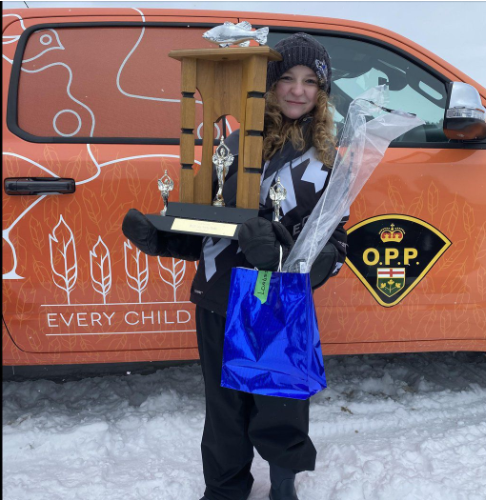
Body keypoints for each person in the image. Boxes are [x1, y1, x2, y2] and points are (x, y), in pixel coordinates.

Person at [122, 32, 349, 500]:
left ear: (322, 93)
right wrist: (163, 238)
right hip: (219, 293)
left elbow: (335, 248)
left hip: (275, 300)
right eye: (285, 78)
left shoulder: (329, 161)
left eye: (310, 81)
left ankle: (283, 480)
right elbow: (208, 224)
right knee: (224, 406)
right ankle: (224, 487)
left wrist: (283, 257)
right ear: (265, 86)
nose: (297, 90)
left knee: (278, 401)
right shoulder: (228, 145)